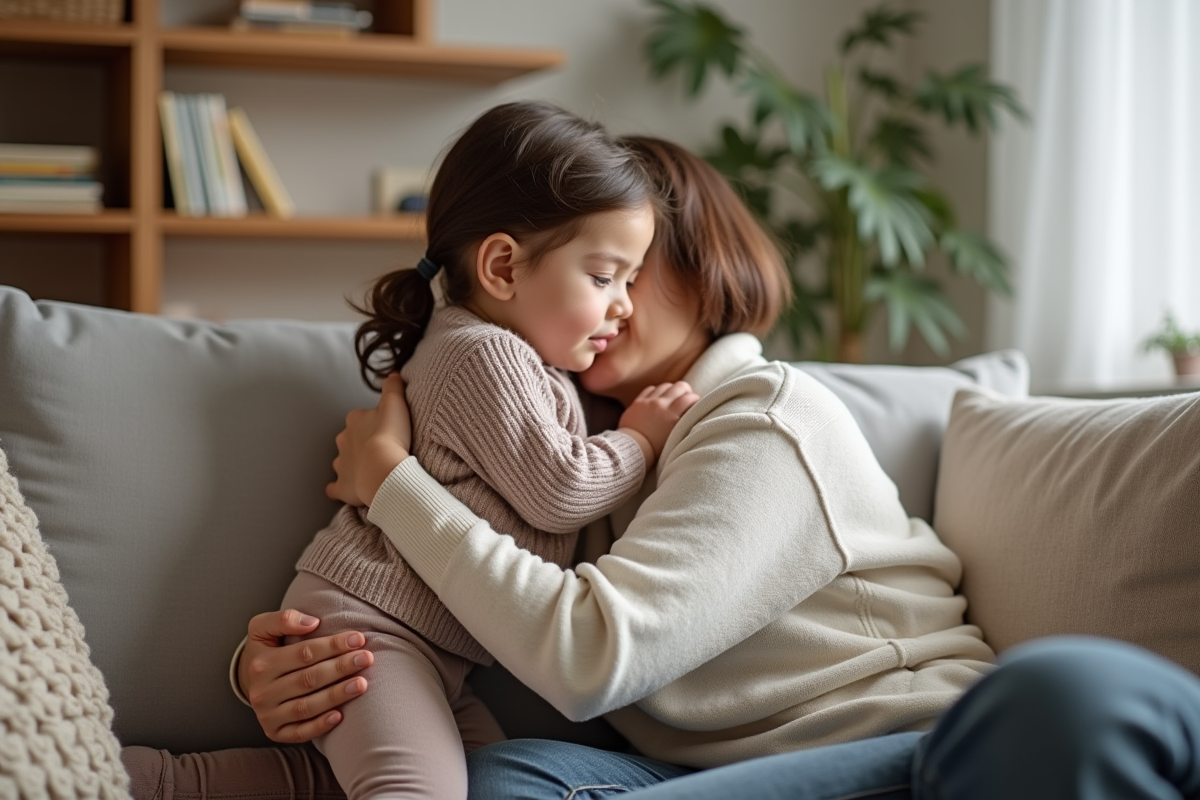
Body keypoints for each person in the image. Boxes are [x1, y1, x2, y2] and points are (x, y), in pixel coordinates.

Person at [218, 137, 1200, 799]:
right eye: (595, 272)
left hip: (901, 750)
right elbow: (451, 637)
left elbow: (587, 653)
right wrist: (299, 663)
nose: (609, 301)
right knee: (502, 782)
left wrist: (394, 482)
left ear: (705, 270)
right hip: (699, 771)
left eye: (631, 274)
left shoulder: (765, 416)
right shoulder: (565, 445)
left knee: (1072, 690)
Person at [259, 102, 702, 800]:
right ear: (502, 267)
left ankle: (156, 781)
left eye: (630, 280)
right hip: (377, 627)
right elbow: (560, 491)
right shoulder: (483, 353)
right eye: (604, 276)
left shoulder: (526, 362)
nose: (624, 305)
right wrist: (641, 439)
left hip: (436, 652)